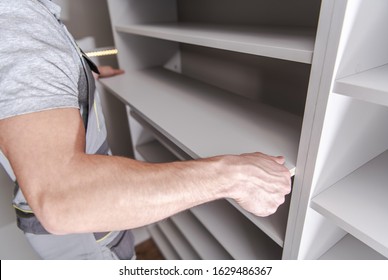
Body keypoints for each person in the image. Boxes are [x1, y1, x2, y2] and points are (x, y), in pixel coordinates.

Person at [0, 0, 291, 260]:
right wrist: (233, 176)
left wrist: (82, 76)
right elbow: (62, 198)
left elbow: (31, 72)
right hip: (83, 238)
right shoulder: (17, 20)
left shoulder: (28, 14)